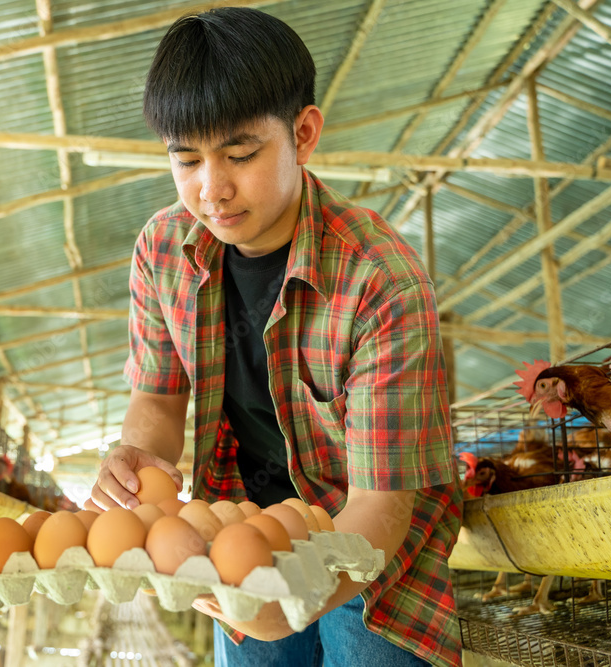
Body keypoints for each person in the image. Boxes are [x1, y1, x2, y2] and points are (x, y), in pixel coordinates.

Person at [86, 7, 463, 667]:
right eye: (187, 160)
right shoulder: (163, 249)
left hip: (367, 539)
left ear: (304, 132)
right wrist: (135, 458)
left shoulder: (381, 282)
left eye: (240, 153)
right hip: (242, 518)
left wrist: (285, 598)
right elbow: (158, 401)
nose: (212, 189)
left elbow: (380, 506)